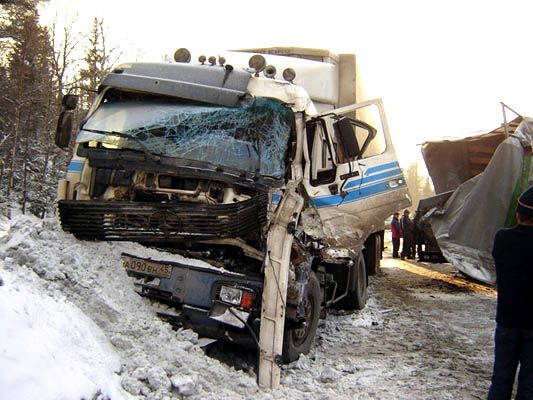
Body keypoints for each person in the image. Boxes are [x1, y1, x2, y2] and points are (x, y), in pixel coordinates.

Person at [487, 186, 533, 400]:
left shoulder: (503, 239)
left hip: (506, 321)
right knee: (529, 386)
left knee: (501, 381)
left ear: (518, 213)